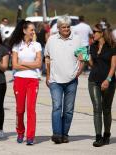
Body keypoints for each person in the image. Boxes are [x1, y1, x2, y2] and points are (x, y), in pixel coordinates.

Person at [44, 15, 84, 144]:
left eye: (68, 27)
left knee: (68, 110)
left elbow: (83, 57)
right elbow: (47, 58)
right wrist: (48, 75)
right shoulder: (51, 39)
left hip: (72, 80)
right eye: (63, 27)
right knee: (57, 107)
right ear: (58, 28)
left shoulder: (78, 39)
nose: (66, 29)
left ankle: (65, 134)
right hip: (55, 80)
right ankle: (57, 134)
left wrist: (80, 70)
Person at [9, 20, 42, 145]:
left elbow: (39, 63)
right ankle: (20, 132)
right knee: (20, 109)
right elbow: (14, 65)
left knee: (31, 109)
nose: (33, 32)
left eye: (34, 30)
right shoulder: (17, 45)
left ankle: (30, 136)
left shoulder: (37, 45)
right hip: (19, 79)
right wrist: (31, 65)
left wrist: (22, 63)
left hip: (33, 80)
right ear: (24, 31)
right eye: (31, 29)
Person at [86, 24, 116, 147]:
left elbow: (113, 66)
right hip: (93, 81)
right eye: (93, 31)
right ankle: (98, 137)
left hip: (109, 81)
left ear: (102, 33)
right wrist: (87, 59)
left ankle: (107, 134)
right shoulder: (92, 46)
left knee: (106, 109)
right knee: (97, 108)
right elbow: (93, 65)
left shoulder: (112, 46)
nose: (93, 33)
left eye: (95, 31)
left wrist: (108, 80)